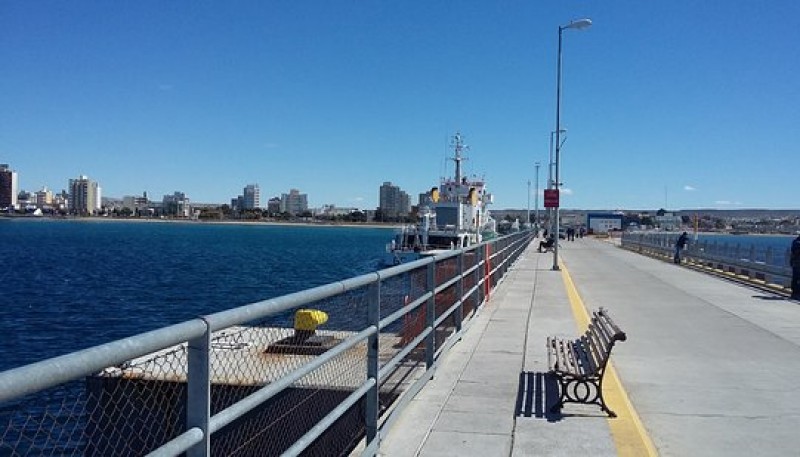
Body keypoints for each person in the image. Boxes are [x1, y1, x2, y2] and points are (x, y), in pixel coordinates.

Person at [791, 233, 800, 300]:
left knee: (795, 278)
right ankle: (796, 293)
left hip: (795, 262)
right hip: (797, 262)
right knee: (796, 278)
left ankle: (794, 293)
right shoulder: (797, 242)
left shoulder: (795, 241)